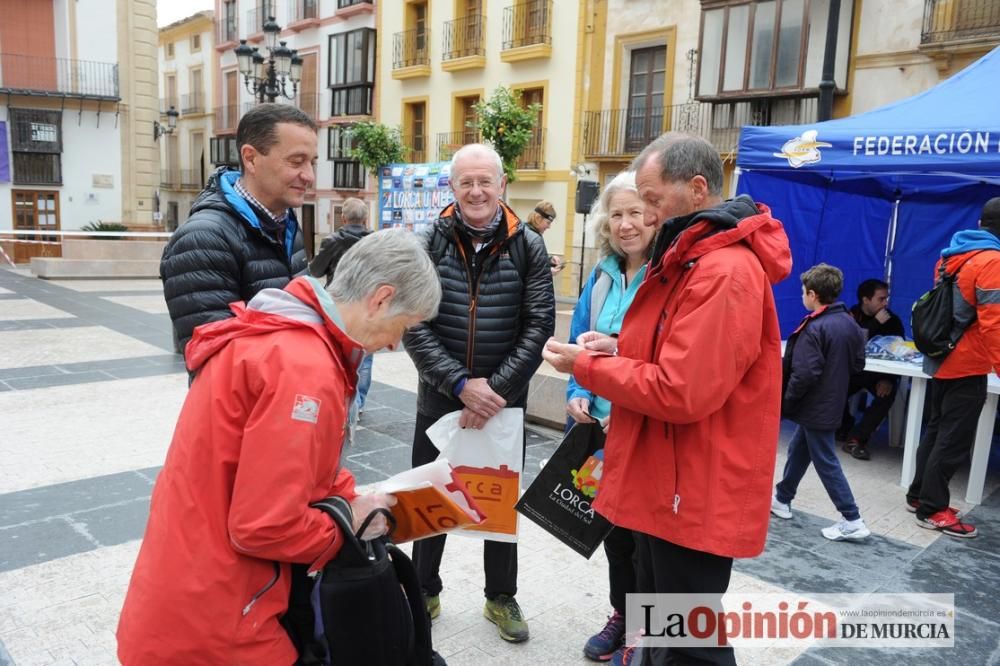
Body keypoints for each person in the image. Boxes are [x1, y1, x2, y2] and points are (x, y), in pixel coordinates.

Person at [117, 230, 442, 663]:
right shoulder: (305, 369)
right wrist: (350, 525)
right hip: (223, 615)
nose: (395, 344)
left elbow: (307, 469)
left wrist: (352, 499)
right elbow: (264, 526)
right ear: (381, 299)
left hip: (186, 587)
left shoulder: (280, 336)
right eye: (404, 327)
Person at [542, 133, 791, 666]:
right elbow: (678, 352)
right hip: (670, 480)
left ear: (697, 189)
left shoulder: (723, 270)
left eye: (652, 200)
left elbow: (681, 390)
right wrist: (618, 347)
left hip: (691, 486)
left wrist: (587, 366)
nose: (647, 215)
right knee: (666, 631)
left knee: (689, 646)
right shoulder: (694, 259)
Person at [402, 143, 556, 643]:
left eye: (484, 181)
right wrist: (459, 384)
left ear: (502, 184)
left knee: (499, 502)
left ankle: (500, 596)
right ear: (451, 186)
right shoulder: (429, 241)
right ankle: (423, 589)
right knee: (429, 498)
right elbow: (413, 322)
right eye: (465, 182)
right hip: (440, 397)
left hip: (502, 404)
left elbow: (539, 324)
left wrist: (496, 390)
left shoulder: (528, 244)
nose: (475, 191)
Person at [564, 171, 654, 662]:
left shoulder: (665, 276)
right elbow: (578, 342)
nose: (625, 224)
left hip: (645, 429)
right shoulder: (601, 275)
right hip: (601, 434)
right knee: (614, 535)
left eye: (635, 212)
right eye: (616, 214)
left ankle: (648, 629)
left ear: (655, 217)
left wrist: (617, 348)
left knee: (648, 540)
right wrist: (578, 390)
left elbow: (664, 354)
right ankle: (622, 613)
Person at [160, 103, 315, 358]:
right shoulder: (203, 239)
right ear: (251, 158)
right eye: (296, 162)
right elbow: (218, 358)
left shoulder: (286, 225)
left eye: (311, 162)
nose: (309, 175)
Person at [906, 197, 1000, 538]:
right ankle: (932, 509)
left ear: (981, 224)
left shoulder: (951, 256)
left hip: (940, 357)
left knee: (935, 431)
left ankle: (919, 495)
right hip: (967, 363)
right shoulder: (992, 261)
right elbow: (994, 324)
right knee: (953, 439)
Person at [771, 263, 870, 542]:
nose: (802, 296)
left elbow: (804, 374)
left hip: (815, 406)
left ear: (813, 294)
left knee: (826, 461)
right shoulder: (850, 323)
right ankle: (782, 498)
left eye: (803, 291)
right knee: (799, 449)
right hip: (830, 403)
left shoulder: (815, 327)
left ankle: (852, 518)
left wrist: (785, 402)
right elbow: (858, 364)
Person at [310, 197, 374, 421]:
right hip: (367, 304)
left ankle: (338, 399)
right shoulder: (375, 241)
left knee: (335, 353)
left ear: (343, 219)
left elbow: (316, 271)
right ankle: (359, 403)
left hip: (337, 306)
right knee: (364, 355)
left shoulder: (332, 240)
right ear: (365, 219)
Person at [838, 278, 906, 460]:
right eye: (881, 299)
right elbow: (851, 343)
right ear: (865, 300)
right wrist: (874, 324)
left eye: (886, 298)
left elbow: (898, 352)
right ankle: (845, 427)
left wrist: (888, 378)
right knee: (833, 385)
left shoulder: (892, 320)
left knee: (887, 393)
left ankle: (856, 439)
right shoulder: (851, 315)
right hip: (854, 371)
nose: (885, 303)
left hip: (878, 375)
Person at [525, 200, 564, 275]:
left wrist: (550, 261)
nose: (549, 227)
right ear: (538, 218)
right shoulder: (530, 237)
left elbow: (535, 262)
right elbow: (526, 268)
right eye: (548, 223)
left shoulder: (531, 234)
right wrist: (548, 272)